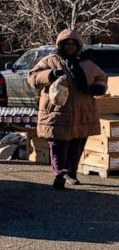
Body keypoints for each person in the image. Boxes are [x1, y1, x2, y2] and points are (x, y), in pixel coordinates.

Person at [28, 29, 108, 189]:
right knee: (58, 145)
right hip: (57, 112)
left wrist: (99, 87)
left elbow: (102, 78)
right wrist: (51, 74)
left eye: (73, 43)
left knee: (76, 144)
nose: (70, 46)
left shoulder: (87, 63)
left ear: (78, 46)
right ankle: (59, 174)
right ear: (60, 45)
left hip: (82, 113)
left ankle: (71, 173)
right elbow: (32, 77)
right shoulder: (50, 61)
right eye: (67, 43)